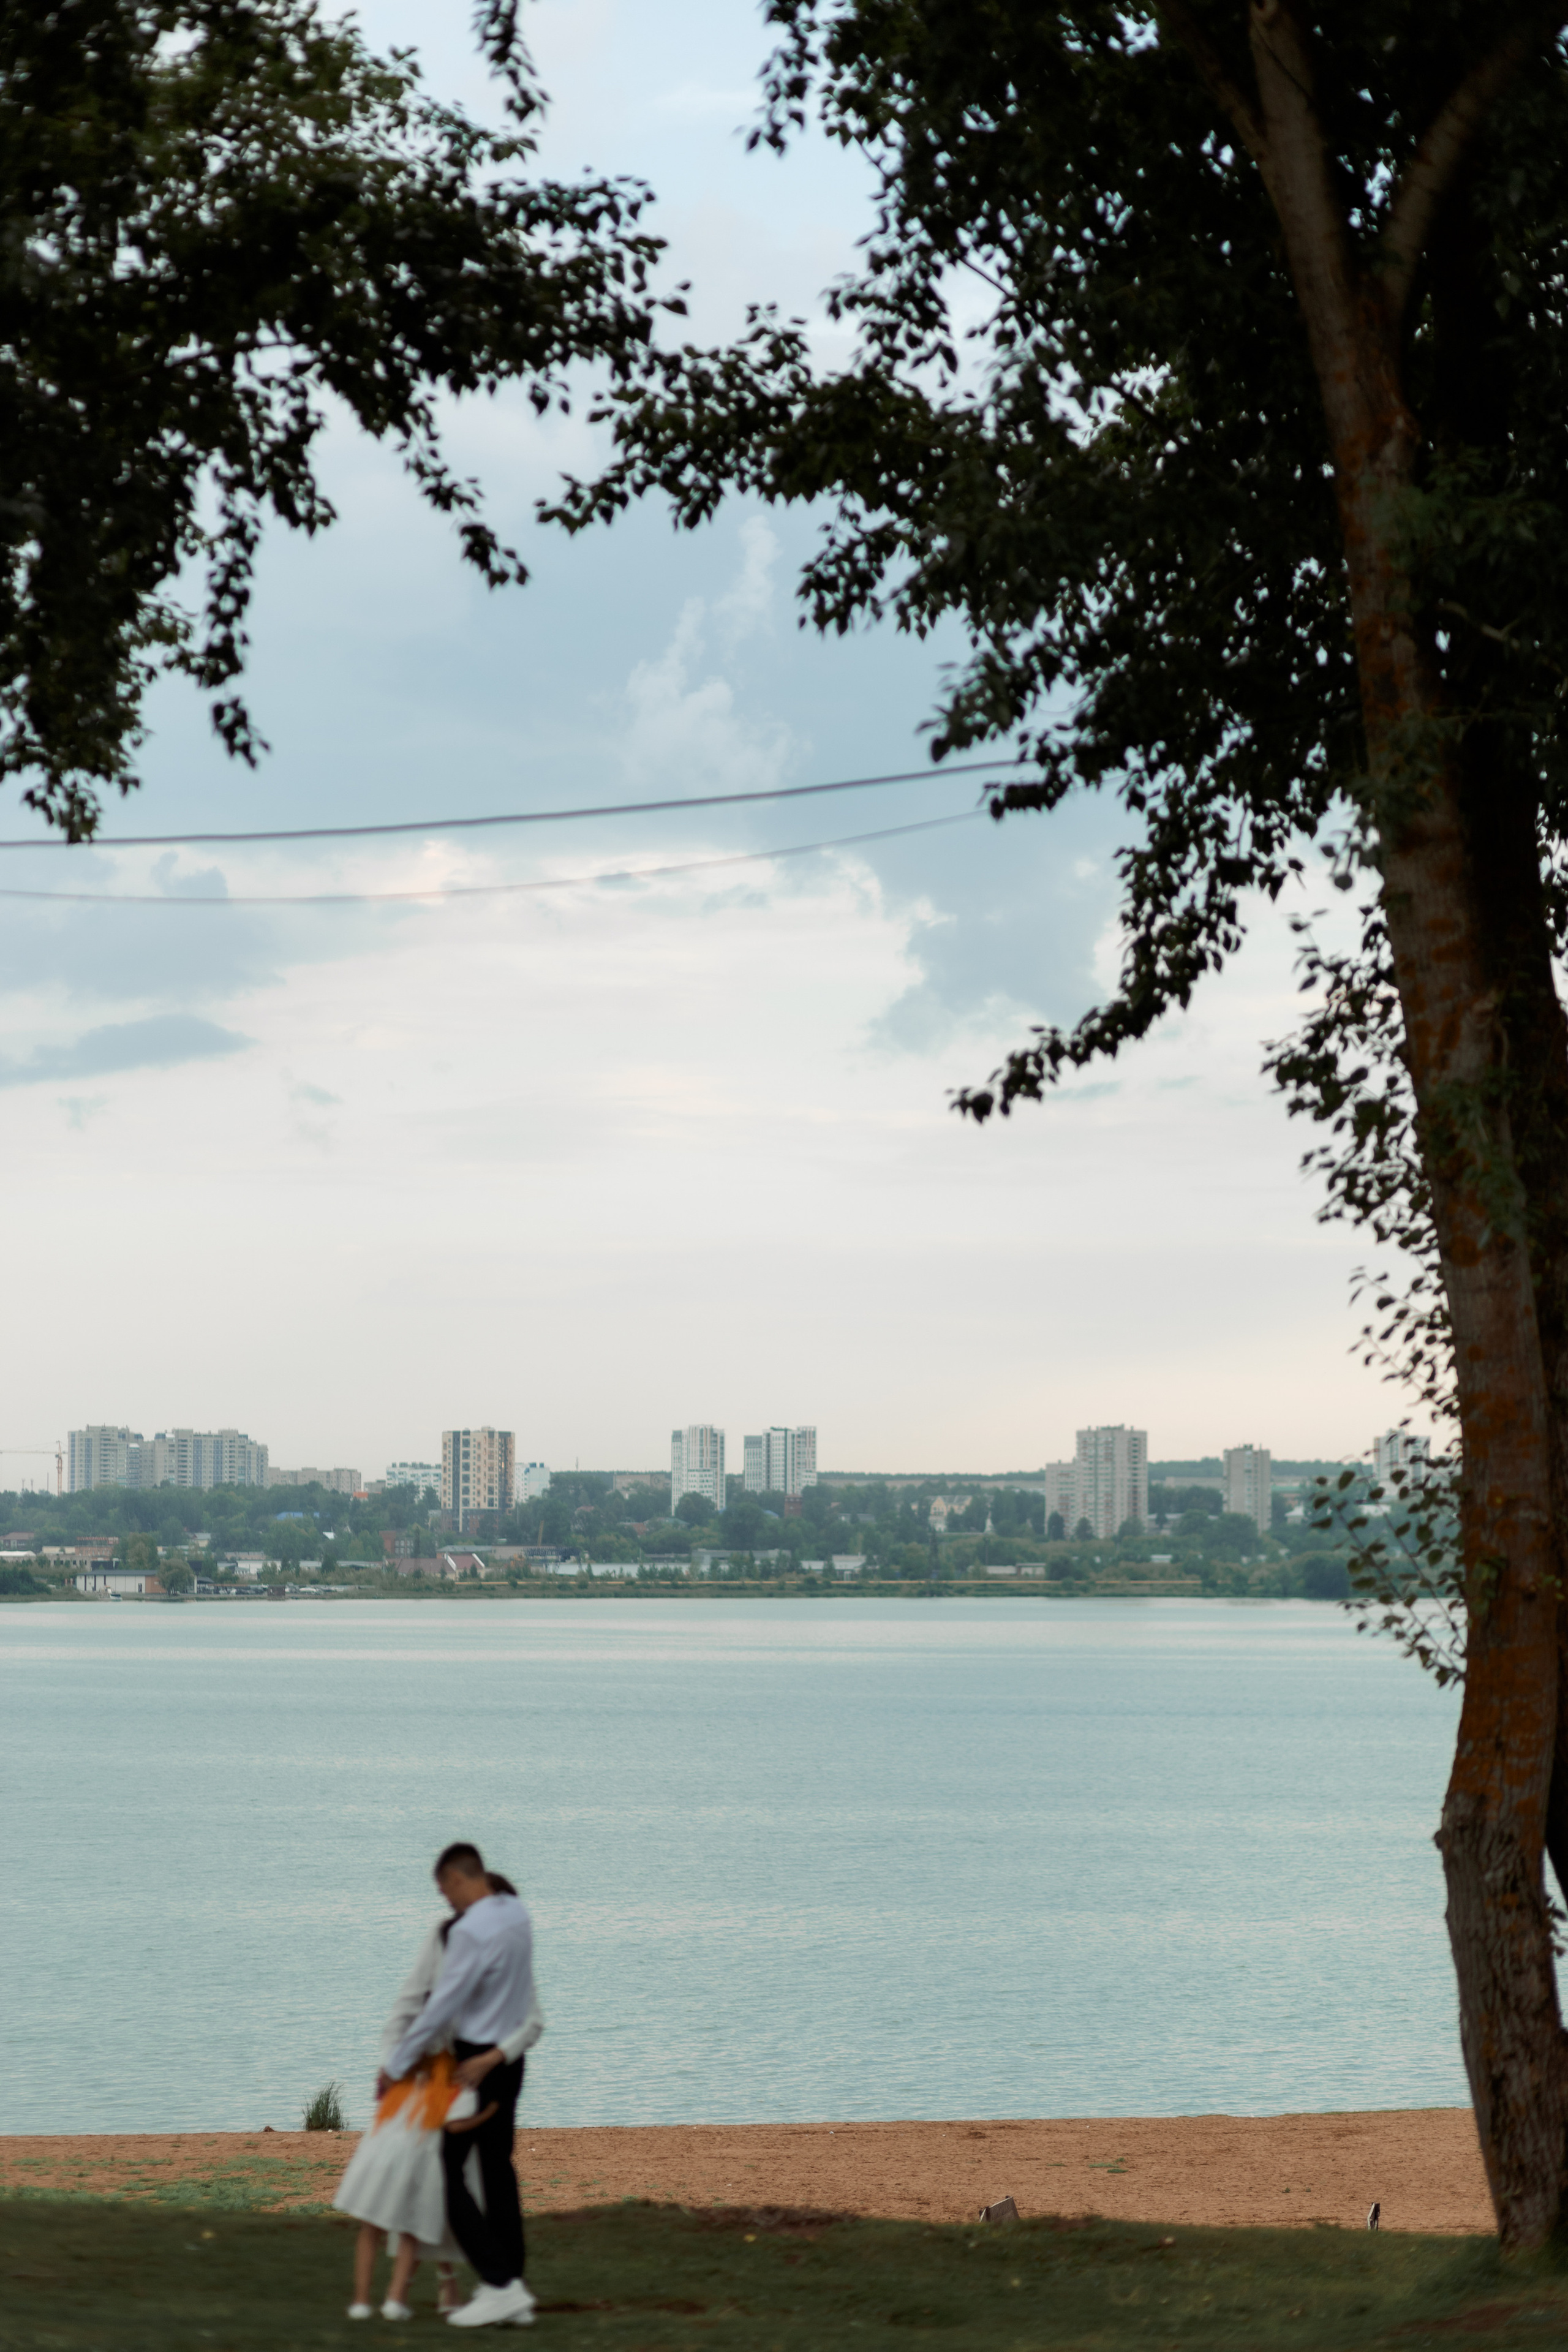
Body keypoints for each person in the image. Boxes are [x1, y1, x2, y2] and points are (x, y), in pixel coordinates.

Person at [385, 1843, 543, 2331]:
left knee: (450, 2170)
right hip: (499, 2065)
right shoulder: (510, 1919)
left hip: (478, 2065)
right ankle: (510, 2287)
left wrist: (398, 2061)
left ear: (458, 1880)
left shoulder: (473, 1932)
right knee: (496, 2170)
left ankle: (501, 2284)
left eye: (445, 1889)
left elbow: (442, 2007)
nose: (447, 1900)